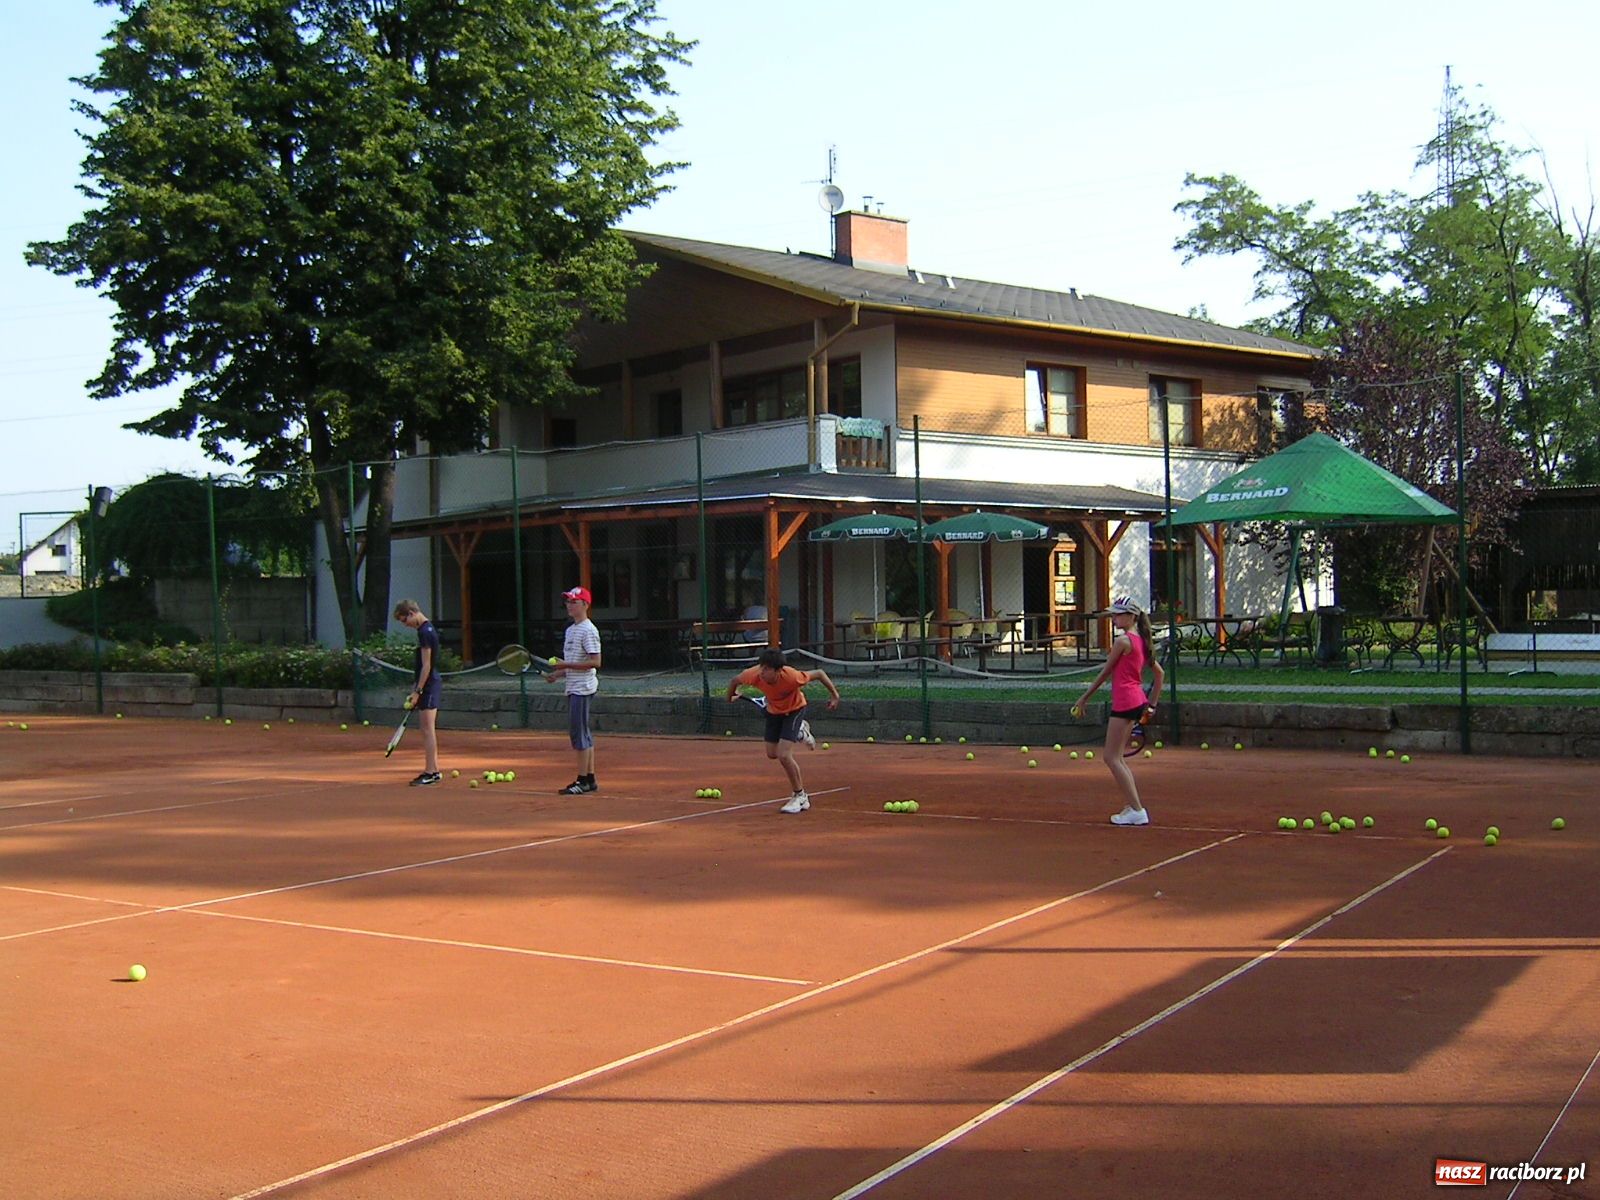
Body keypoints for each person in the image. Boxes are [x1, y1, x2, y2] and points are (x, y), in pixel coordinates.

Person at [1073, 596, 1163, 825]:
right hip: (1136, 702)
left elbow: (1105, 673)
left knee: (1111, 758)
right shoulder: (1140, 640)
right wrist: (1151, 705)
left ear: (1131, 616)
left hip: (1125, 702)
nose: (1113, 618)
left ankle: (1137, 810)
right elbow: (1159, 674)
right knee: (1117, 758)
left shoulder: (1123, 642)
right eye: (1113, 614)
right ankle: (1134, 807)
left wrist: (1084, 699)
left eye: (1118, 614)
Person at [725, 648, 840, 814]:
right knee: (771, 753)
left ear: (778, 671)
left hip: (795, 710)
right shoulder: (753, 674)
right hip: (774, 712)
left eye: (767, 669)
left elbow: (820, 673)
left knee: (783, 754)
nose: (762, 672)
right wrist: (730, 698)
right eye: (761, 667)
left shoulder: (792, 677)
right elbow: (735, 681)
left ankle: (800, 796)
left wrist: (835, 696)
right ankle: (801, 732)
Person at [547, 585, 602, 794]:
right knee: (582, 733)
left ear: (585, 605)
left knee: (579, 734)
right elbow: (572, 662)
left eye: (574, 602)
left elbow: (596, 661)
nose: (569, 605)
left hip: (583, 688)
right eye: (568, 601)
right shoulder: (571, 630)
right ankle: (589, 778)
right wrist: (557, 674)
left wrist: (565, 666)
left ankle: (582, 780)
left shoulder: (588, 630)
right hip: (573, 686)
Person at [393, 599, 442, 786]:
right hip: (428, 685)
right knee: (426, 730)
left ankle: (431, 772)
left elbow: (426, 665)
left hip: (429, 686)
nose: (405, 625)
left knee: (428, 730)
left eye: (404, 620)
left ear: (412, 613)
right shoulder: (426, 630)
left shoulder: (424, 632)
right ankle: (434, 770)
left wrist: (418, 691)